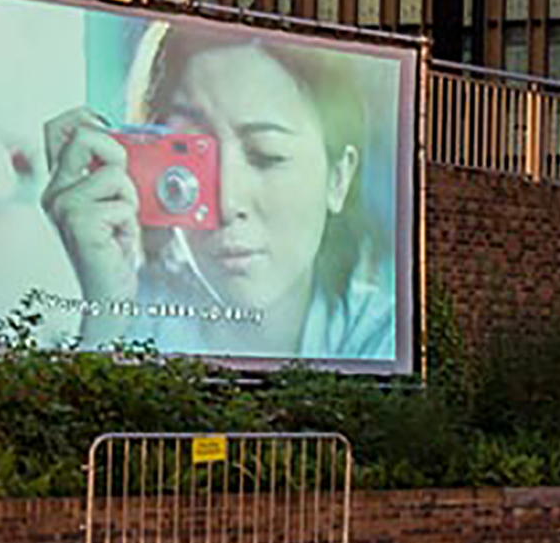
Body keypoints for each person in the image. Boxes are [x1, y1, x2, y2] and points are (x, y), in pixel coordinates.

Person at [43, 29, 397, 363]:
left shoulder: (383, 336)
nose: (226, 204)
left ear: (338, 177)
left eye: (265, 155)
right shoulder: (122, 313)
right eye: (193, 160)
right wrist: (106, 316)